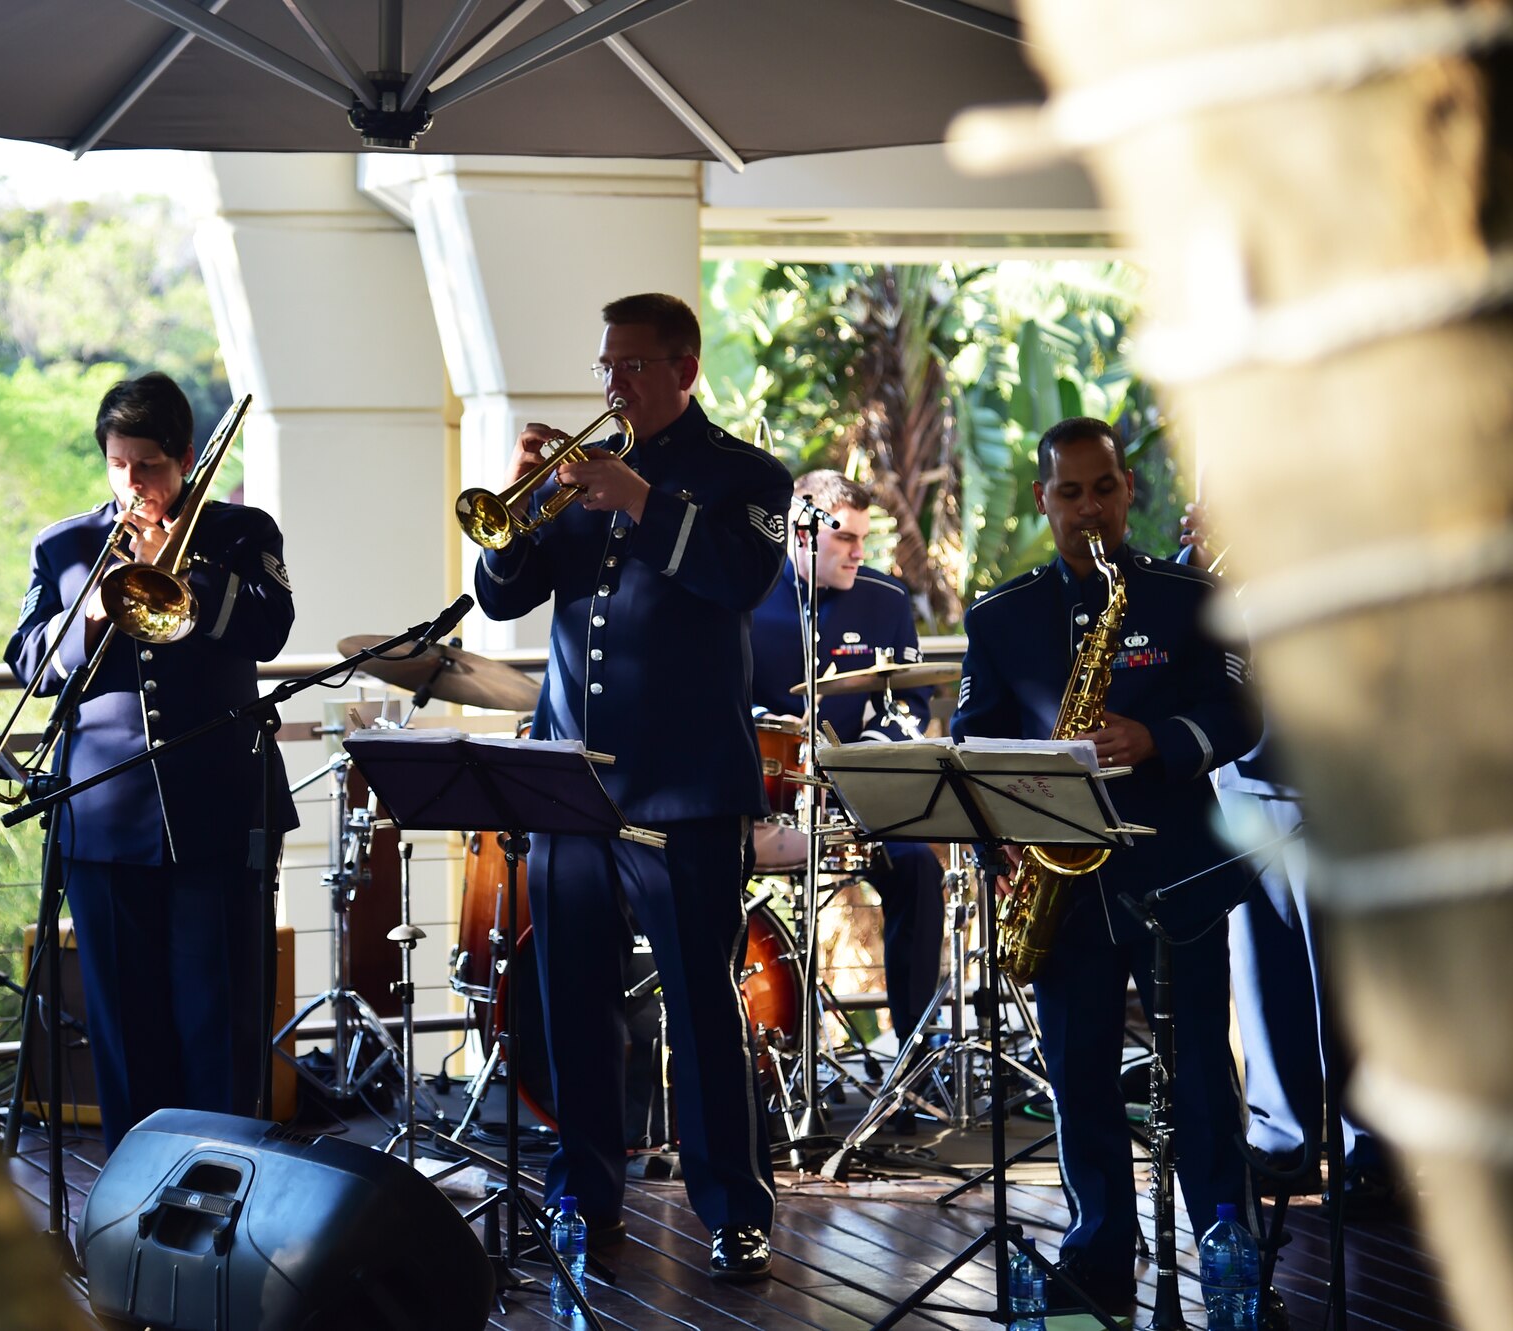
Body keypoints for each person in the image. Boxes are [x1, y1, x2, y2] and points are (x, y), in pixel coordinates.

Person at [473, 293, 790, 1280]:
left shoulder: (743, 472)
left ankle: (732, 1207)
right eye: (605, 364)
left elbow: (740, 578)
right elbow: (499, 597)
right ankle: (582, 1189)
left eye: (634, 367)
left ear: (683, 369)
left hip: (688, 787)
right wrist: (518, 503)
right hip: (571, 779)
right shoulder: (577, 477)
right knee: (571, 999)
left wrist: (638, 499)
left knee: (702, 1003)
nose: (611, 384)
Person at [950, 418, 1262, 1318]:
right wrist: (1000, 836)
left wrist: (1156, 739)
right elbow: (974, 741)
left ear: (1130, 490)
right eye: (1069, 492)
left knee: (1202, 1068)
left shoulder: (1197, 596)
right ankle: (1096, 1253)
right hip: (1066, 888)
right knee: (1080, 1075)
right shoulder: (1001, 616)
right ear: (1045, 500)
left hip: (1181, 879)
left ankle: (1224, 1241)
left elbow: (1242, 716)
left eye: (1104, 488)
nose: (1089, 507)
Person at [4, 372, 295, 1150]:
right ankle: (136, 1211)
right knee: (124, 1033)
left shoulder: (242, 532)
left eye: (150, 467)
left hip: (217, 815)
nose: (133, 483)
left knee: (219, 1025)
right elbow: (28, 661)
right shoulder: (65, 546)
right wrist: (92, 611)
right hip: (101, 820)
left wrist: (186, 569)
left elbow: (271, 629)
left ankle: (229, 1193)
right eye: (119, 464)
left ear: (186, 459)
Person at [1178, 505, 1396, 1209]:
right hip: (1246, 778)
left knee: (1352, 974)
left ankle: (1372, 1148)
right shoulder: (1209, 563)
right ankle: (1286, 1143)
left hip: (1337, 775)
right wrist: (1204, 556)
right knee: (1264, 968)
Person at [748, 471, 946, 1062]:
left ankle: (913, 1053)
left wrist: (864, 752)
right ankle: (755, 1055)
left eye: (864, 538)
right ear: (801, 532)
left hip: (856, 796)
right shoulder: (746, 597)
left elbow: (911, 702)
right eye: (845, 539)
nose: (860, 552)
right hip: (762, 802)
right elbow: (716, 696)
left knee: (917, 870)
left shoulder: (885, 600)